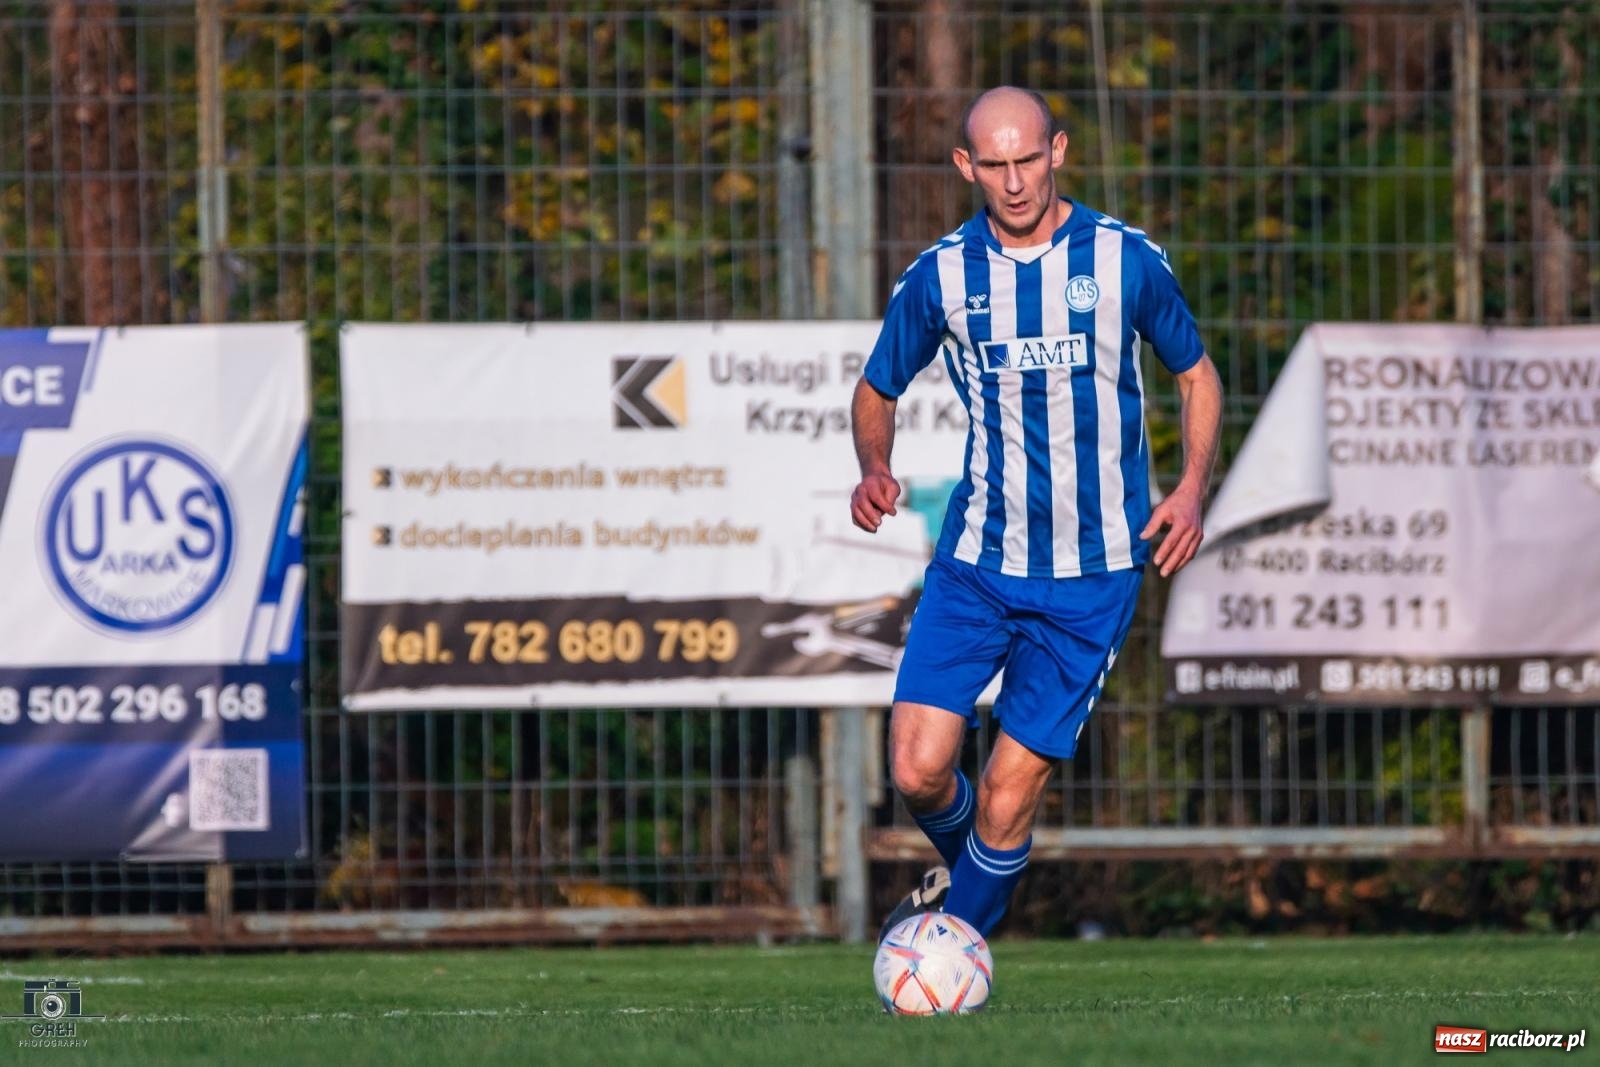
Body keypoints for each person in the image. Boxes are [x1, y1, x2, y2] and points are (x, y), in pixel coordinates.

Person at [851, 85, 1222, 940]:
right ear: (966, 166)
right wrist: (875, 465)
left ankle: (953, 954)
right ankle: (975, 874)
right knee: (916, 769)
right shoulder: (943, 275)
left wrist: (1192, 486)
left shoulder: (1123, 261)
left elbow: (1197, 374)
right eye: (995, 165)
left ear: (1057, 151)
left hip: (1091, 576)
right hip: (977, 563)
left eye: (1027, 159)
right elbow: (876, 388)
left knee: (1008, 795)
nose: (1014, 182)